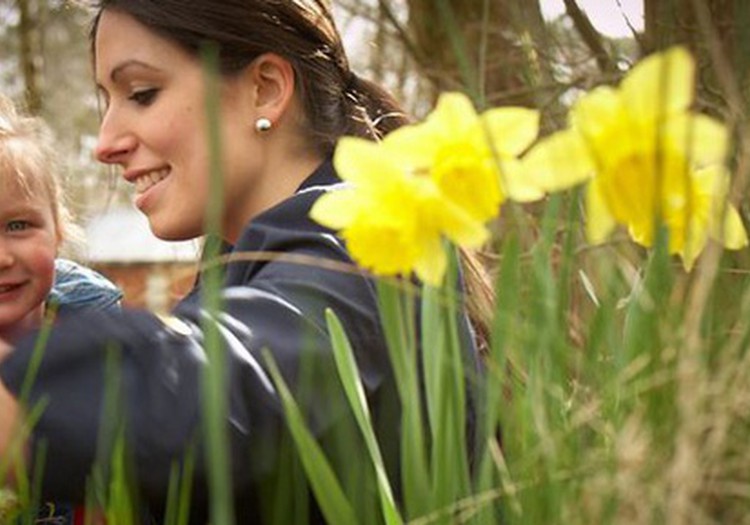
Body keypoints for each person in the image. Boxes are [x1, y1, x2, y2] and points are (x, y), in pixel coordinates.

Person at [0, 1, 491, 522]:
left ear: (266, 89)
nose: (105, 143)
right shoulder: (245, 264)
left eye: (142, 94)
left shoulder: (368, 238)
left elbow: (214, 394)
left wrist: (26, 407)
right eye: (107, 101)